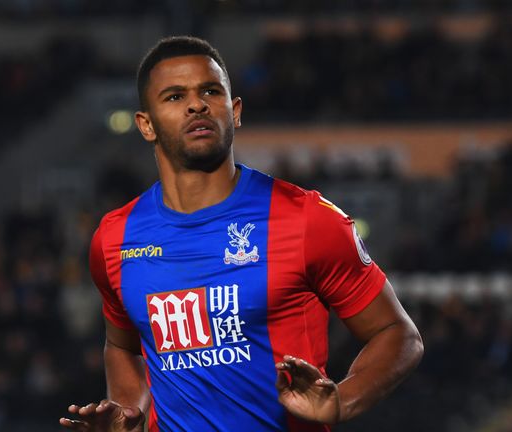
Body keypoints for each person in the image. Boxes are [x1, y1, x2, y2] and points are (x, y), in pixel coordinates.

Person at [59, 35, 424, 432]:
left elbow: (398, 333)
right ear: (146, 125)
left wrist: (344, 400)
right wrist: (131, 412)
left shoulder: (306, 220)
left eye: (210, 91)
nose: (197, 104)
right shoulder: (114, 239)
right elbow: (122, 346)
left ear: (234, 112)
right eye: (175, 97)